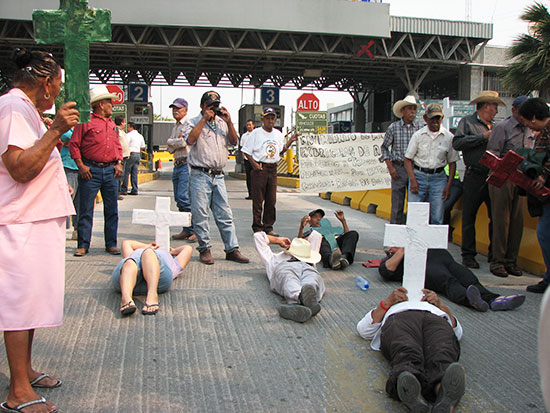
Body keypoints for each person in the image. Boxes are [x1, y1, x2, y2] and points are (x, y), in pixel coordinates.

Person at [0, 48, 79, 413]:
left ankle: (24, 371)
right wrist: (57, 131)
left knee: (29, 304)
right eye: (58, 86)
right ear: (45, 82)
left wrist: (49, 137)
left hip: (31, 220)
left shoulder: (26, 111)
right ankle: (17, 391)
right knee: (18, 306)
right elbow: (19, 168)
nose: (59, 94)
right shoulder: (14, 108)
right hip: (20, 223)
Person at [357, 288, 465, 413]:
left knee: (442, 348)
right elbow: (363, 330)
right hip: (401, 317)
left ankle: (442, 389)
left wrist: (441, 306)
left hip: (436, 319)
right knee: (406, 349)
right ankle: (411, 386)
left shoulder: (436, 307)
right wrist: (388, 302)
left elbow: (457, 332)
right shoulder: (393, 305)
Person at [183, 90, 249, 265]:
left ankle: (232, 249)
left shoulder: (222, 123)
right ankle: (204, 249)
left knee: (225, 214)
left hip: (218, 176)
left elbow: (235, 141)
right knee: (201, 214)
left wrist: (229, 121)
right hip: (199, 174)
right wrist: (204, 119)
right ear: (202, 106)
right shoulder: (193, 122)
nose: (213, 108)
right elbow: (189, 140)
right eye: (210, 105)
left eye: (216, 105)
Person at [452, 90, 506, 269]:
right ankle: (468, 255)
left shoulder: (497, 126)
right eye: (494, 107)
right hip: (474, 175)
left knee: (495, 217)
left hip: (493, 176)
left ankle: (494, 254)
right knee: (469, 216)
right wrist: (482, 137)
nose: (496, 111)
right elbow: (458, 143)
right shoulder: (467, 122)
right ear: (484, 107)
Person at [379, 247, 525, 311]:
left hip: (446, 260)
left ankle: (494, 300)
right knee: (448, 281)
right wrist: (402, 249)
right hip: (427, 266)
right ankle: (471, 301)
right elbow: (386, 271)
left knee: (469, 278)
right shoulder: (394, 258)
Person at [70, 85, 123, 257]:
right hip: (90, 170)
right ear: (100, 104)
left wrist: (119, 162)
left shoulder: (112, 125)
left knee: (112, 209)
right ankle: (83, 244)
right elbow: (74, 144)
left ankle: (111, 244)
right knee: (86, 208)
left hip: (110, 171)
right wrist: (81, 165)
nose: (112, 106)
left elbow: (117, 146)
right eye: (109, 102)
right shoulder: (85, 122)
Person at [486, 96, 531, 277]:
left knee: (517, 222)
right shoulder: (502, 127)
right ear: (514, 111)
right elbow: (492, 155)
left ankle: (511, 260)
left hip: (522, 179)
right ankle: (498, 261)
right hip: (502, 179)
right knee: (501, 222)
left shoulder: (530, 129)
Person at [242, 107, 298, 235]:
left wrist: (290, 141)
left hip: (272, 169)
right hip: (260, 169)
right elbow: (246, 151)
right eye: (267, 118)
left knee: (271, 200)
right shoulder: (256, 133)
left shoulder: (278, 134)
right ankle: (257, 227)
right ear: (263, 119)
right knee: (258, 201)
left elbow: (280, 151)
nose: (270, 121)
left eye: (273, 118)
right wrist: (254, 164)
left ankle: (268, 227)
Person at [253, 230, 325, 323]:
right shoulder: (273, 258)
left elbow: (316, 235)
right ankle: (300, 298)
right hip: (285, 266)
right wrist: (278, 240)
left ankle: (304, 300)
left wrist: (303, 241)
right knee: (289, 279)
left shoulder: (309, 257)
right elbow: (258, 236)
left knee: (312, 280)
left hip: (308, 266)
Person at [404, 103, 459, 225]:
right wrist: (412, 179)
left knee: (437, 215)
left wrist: (448, 185)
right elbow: (408, 159)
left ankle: (434, 244)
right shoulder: (418, 136)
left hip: (438, 178)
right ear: (425, 119)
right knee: (415, 214)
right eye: (432, 118)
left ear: (442, 118)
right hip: (419, 176)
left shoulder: (448, 137)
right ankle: (415, 243)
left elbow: (452, 162)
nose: (435, 122)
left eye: (437, 118)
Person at [518, 98, 550, 294]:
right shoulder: (543, 133)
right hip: (545, 195)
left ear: (536, 118)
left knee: (544, 234)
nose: (528, 126)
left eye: (528, 121)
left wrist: (543, 176)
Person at [112, 240, 192, 316]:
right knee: (130, 262)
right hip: (128, 278)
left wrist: (172, 251)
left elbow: (188, 248)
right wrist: (147, 246)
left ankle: (151, 294)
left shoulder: (169, 260)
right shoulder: (134, 254)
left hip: (157, 281)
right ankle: (126, 297)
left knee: (148, 254)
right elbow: (126, 243)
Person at [379, 95, 423, 224]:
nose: (412, 112)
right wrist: (390, 167)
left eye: (414, 109)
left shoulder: (420, 128)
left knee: (414, 203)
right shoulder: (394, 127)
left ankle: (411, 235)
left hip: (416, 169)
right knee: (397, 205)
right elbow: (384, 148)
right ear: (402, 111)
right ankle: (395, 238)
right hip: (398, 168)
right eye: (409, 109)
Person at [167, 98, 195, 242]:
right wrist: (173, 142)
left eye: (178, 108)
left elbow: (184, 142)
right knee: (179, 199)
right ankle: (187, 229)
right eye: (173, 108)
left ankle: (194, 229)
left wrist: (171, 141)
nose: (175, 111)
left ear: (185, 110)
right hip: (177, 164)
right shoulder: (175, 127)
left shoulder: (188, 125)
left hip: (186, 164)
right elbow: (170, 148)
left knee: (185, 198)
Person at [60, 128, 79, 240]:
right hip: (69, 166)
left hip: (84, 167)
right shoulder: (68, 126)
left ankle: (77, 230)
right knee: (67, 199)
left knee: (80, 203)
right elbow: (65, 137)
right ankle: (61, 229)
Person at [121, 122, 145, 196]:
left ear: (131, 127)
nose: (127, 129)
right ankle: (134, 189)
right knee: (134, 173)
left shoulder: (128, 135)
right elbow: (143, 146)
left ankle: (124, 189)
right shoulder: (140, 136)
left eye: (128, 127)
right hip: (137, 154)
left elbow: (125, 144)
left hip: (130, 154)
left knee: (126, 172)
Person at [114, 115, 130, 200]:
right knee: (119, 175)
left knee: (122, 176)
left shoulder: (122, 131)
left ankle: (118, 191)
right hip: (120, 157)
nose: (125, 124)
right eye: (124, 122)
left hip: (124, 156)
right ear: (121, 122)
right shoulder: (116, 130)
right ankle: (116, 193)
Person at [240, 119, 255, 200]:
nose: (249, 126)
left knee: (256, 177)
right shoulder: (244, 136)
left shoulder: (256, 134)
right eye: (247, 125)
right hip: (247, 159)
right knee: (249, 177)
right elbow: (242, 147)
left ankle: (257, 194)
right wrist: (243, 156)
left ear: (253, 125)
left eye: (250, 124)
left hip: (255, 159)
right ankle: (250, 194)